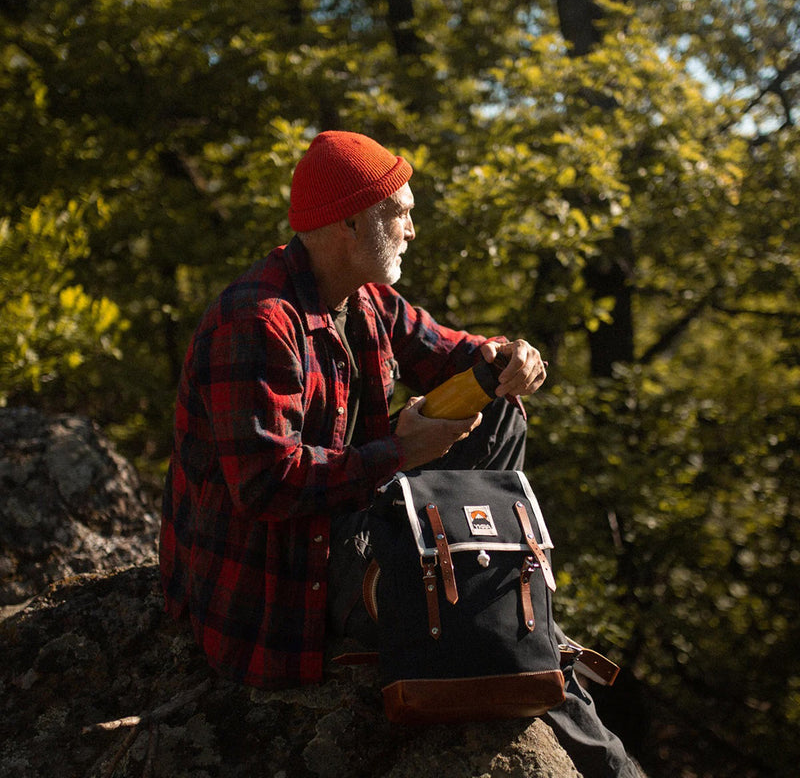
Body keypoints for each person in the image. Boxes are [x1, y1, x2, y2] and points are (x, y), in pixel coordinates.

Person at [159, 130, 642, 778]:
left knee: (498, 408)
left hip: (356, 512)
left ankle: (469, 582)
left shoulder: (365, 299)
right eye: (402, 213)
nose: (413, 229)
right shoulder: (257, 319)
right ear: (349, 226)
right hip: (285, 578)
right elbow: (265, 487)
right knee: (495, 625)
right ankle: (497, 620)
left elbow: (456, 352)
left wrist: (509, 356)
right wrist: (399, 451)